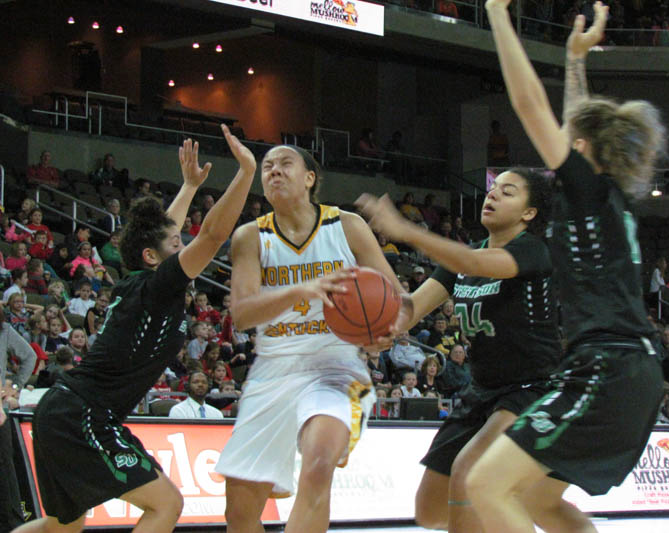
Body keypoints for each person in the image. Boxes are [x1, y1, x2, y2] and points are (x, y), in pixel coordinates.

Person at [461, 3, 666, 532]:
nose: (565, 139)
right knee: (538, 502)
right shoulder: (604, 194)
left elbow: (531, 106)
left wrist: (499, 17)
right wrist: (575, 60)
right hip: (624, 368)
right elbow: (580, 122)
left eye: (574, 140)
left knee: (486, 485)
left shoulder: (589, 189)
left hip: (609, 366)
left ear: (584, 151)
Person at [13, 126, 255, 533]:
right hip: (84, 414)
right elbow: (212, 235)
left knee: (62, 528)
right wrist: (245, 173)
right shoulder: (159, 287)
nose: (183, 248)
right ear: (152, 257)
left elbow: (160, 233)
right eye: (177, 246)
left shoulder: (134, 280)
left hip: (65, 409)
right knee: (166, 505)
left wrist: (190, 187)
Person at [215, 143, 410, 533]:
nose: (273, 171)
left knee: (318, 466)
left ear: (309, 178)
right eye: (267, 166)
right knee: (239, 514)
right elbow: (243, 312)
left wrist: (387, 332)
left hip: (337, 368)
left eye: (286, 163)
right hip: (273, 372)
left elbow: (398, 299)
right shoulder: (250, 236)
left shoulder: (347, 225)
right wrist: (301, 290)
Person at [358, 165, 560, 533]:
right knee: (431, 510)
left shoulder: (534, 250)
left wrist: (407, 230)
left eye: (508, 191)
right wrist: (375, 327)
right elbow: (411, 309)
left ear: (530, 213)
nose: (493, 194)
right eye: (493, 188)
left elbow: (472, 263)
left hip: (533, 390)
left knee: (469, 472)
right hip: (480, 392)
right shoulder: (468, 257)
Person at [0, 303, 37, 532]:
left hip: (0, 410)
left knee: (5, 468)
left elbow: (29, 356)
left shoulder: (5, 331)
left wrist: (15, 385)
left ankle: (11, 523)